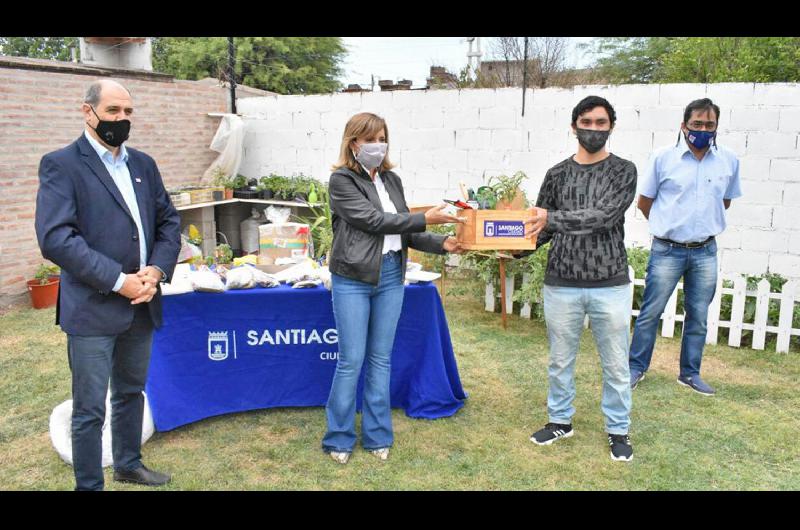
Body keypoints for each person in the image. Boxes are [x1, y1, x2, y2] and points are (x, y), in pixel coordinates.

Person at [35, 79, 182, 490]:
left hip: (142, 301)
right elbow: (56, 238)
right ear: (88, 112)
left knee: (131, 393)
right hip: (94, 307)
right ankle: (89, 485)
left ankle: (128, 464)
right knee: (89, 408)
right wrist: (120, 282)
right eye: (113, 111)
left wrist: (155, 271)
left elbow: (168, 222)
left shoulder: (143, 165)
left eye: (128, 113)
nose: (121, 120)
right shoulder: (61, 164)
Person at [322, 112, 464, 464]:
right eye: (369, 139)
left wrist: (442, 242)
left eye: (381, 137)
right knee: (351, 360)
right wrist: (425, 216)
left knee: (381, 359)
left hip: (389, 276)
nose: (376, 145)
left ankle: (377, 435)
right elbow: (373, 221)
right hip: (352, 277)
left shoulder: (392, 180)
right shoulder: (341, 181)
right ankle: (339, 437)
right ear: (353, 143)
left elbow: (405, 230)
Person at [523, 96, 638, 462]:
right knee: (560, 360)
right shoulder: (557, 174)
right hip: (562, 281)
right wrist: (507, 244)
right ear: (573, 126)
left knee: (617, 362)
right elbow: (539, 231)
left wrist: (551, 219)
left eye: (600, 123)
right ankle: (560, 421)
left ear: (611, 127)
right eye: (585, 122)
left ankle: (618, 429)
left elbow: (602, 217)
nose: (592, 129)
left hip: (610, 282)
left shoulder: (624, 171)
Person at [629, 98, 741, 396]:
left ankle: (689, 374)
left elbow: (725, 201)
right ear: (684, 125)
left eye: (709, 125)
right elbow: (644, 202)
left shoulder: (729, 161)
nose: (703, 130)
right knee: (651, 312)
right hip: (667, 250)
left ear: (717, 127)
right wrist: (669, 227)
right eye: (697, 124)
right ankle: (635, 368)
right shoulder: (662, 158)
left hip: (705, 251)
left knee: (698, 315)